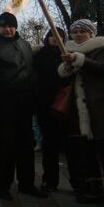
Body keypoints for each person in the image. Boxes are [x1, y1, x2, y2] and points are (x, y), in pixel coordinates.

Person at [0, 12, 47, 201]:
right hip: (3, 103)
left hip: (25, 102)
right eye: (4, 26)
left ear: (15, 27)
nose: (8, 29)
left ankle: (27, 183)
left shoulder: (24, 45)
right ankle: (2, 185)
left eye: (11, 26)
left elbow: (31, 69)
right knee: (6, 146)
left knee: (26, 145)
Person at [57, 19, 104, 207]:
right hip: (79, 109)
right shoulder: (69, 51)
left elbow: (101, 68)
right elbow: (64, 74)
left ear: (91, 33)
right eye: (75, 32)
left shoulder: (103, 48)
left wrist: (78, 59)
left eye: (82, 31)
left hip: (100, 105)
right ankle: (95, 188)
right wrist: (67, 66)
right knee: (87, 151)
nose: (78, 35)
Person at [32, 28, 69, 193]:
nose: (55, 38)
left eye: (59, 36)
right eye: (52, 35)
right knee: (49, 144)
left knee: (68, 144)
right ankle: (49, 180)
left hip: (66, 104)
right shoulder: (40, 55)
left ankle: (78, 181)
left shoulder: (69, 54)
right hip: (45, 104)